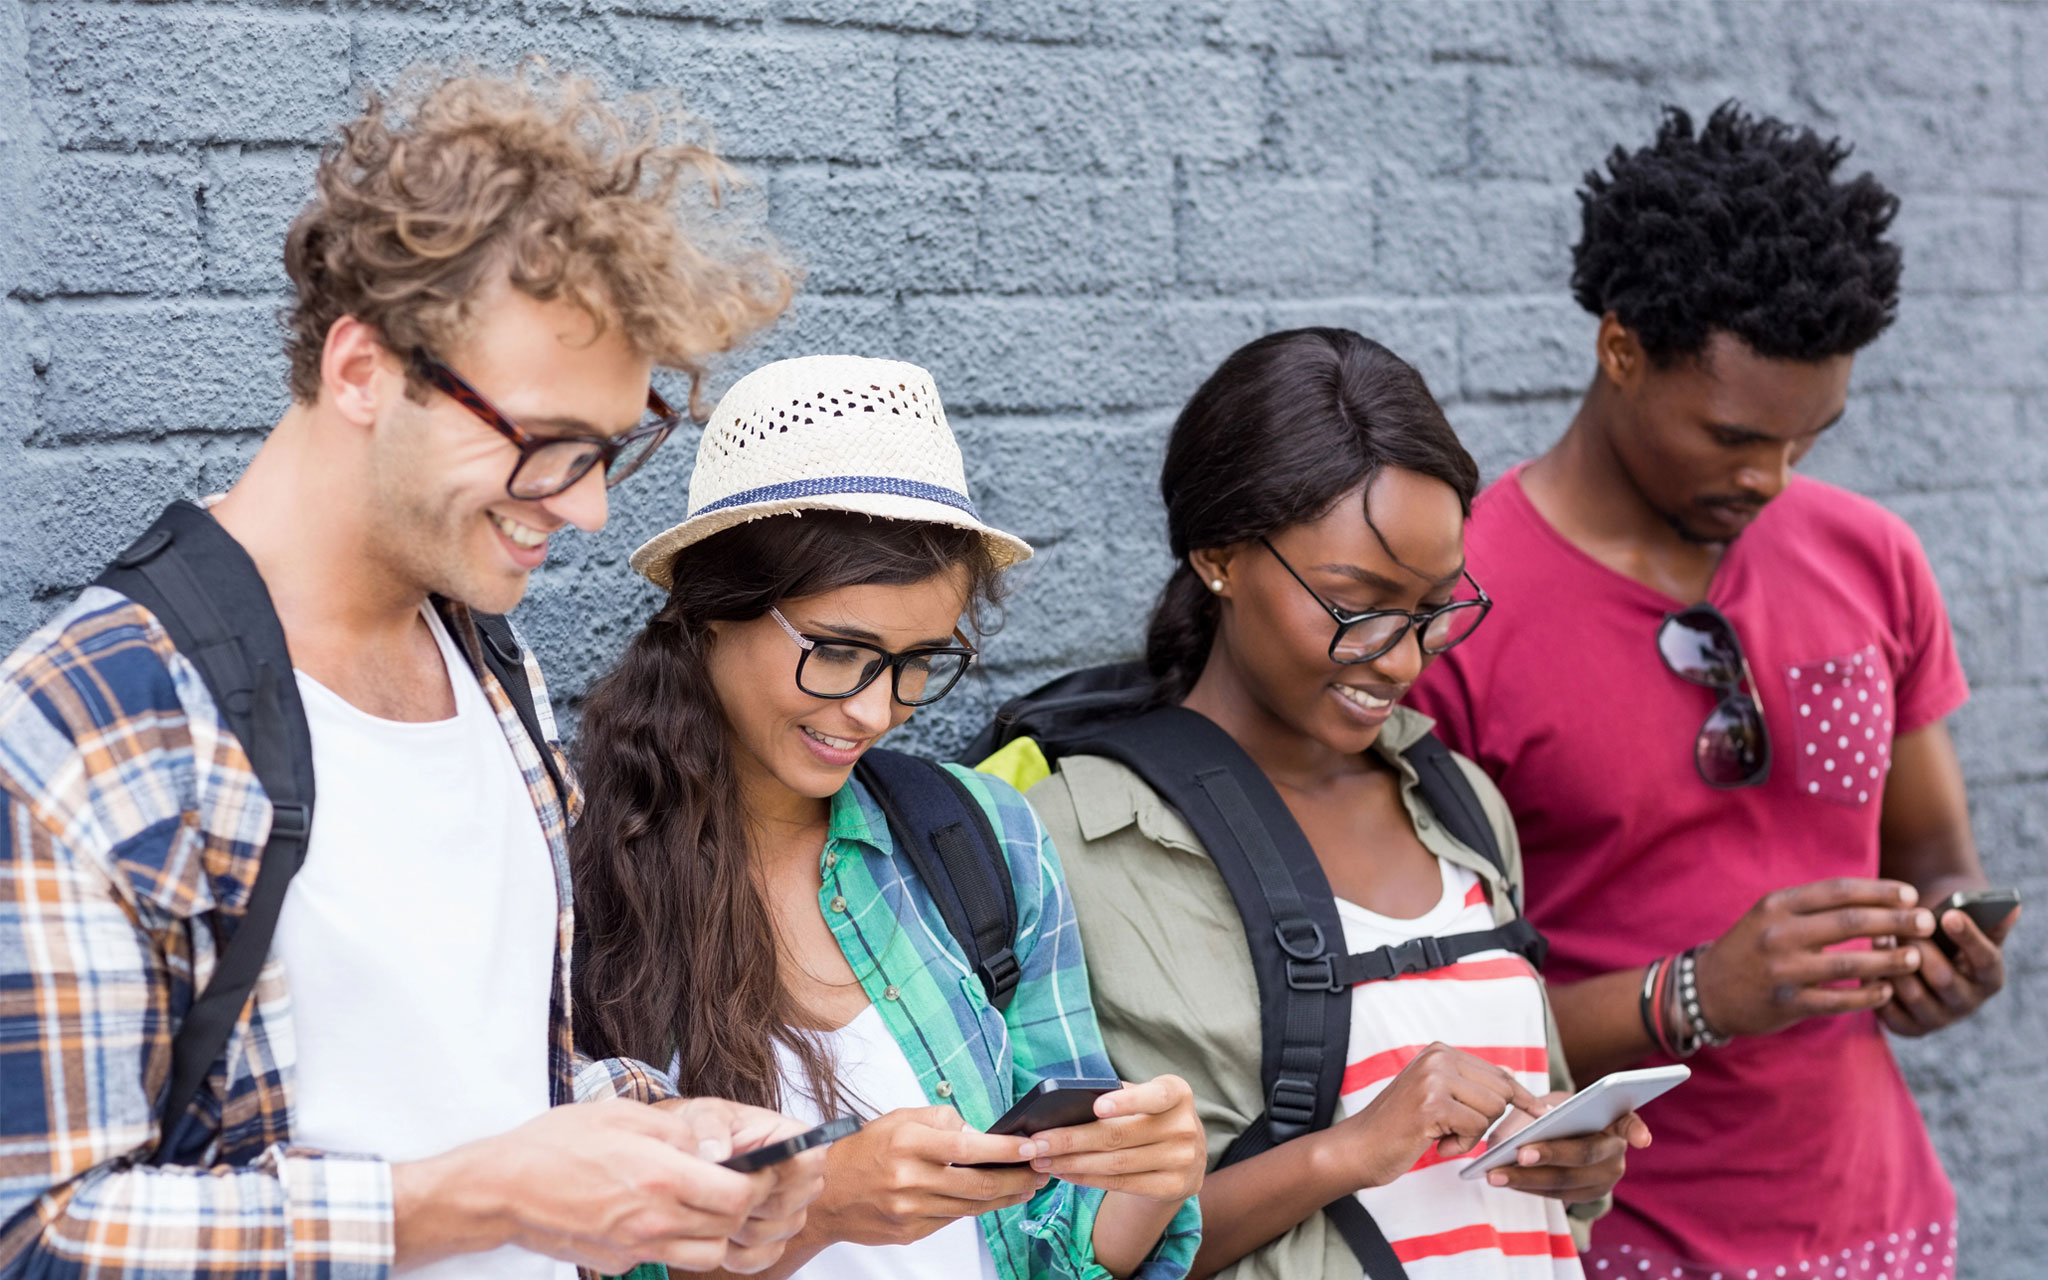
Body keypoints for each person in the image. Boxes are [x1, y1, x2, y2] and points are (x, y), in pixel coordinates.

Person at [0, 70, 825, 1278]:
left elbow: (469, 1075)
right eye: (548, 445)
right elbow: (37, 1234)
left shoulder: (487, 658)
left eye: (611, 449)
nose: (588, 508)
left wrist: (650, 1131)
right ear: (362, 369)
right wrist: (471, 1198)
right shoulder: (87, 719)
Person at [1405, 103, 2015, 1280]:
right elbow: (1417, 1028)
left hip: (1879, 1225)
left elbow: (1936, 854)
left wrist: (1945, 950)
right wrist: (1695, 993)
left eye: (1806, 438)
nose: (1770, 478)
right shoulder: (1455, 609)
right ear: (1619, 349)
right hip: (1605, 1241)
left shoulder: (1868, 554)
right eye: (1731, 436)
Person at [997, 328, 1648, 1280]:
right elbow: (1049, 1246)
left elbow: (1527, 1149)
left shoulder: (1459, 803)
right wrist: (1346, 1151)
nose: (1403, 657)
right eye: (1357, 606)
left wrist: (1575, 1163)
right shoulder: (1076, 839)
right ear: (1219, 555)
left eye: (1434, 607)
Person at [570, 353, 1208, 1280]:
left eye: (918, 661)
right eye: (837, 652)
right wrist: (822, 1207)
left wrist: (1147, 1176)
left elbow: (1063, 1249)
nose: (876, 710)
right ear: (712, 609)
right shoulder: (576, 875)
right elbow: (568, 1251)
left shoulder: (984, 837)